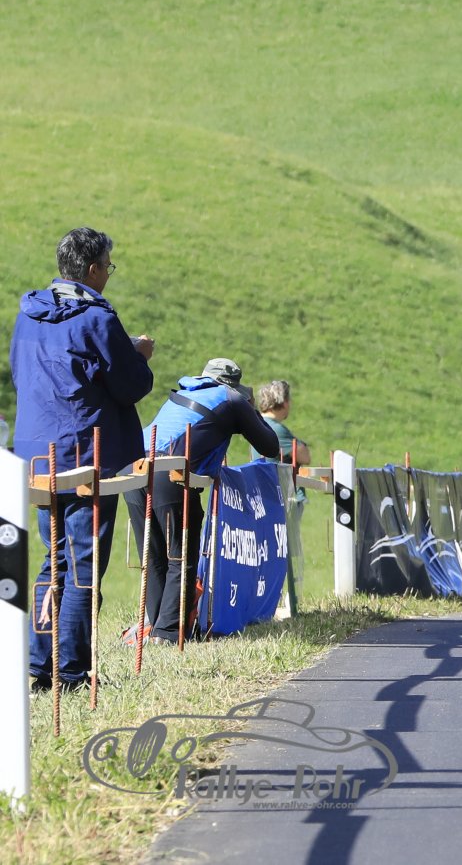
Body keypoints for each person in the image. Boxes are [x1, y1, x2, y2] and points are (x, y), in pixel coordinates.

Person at [11, 227, 155, 692]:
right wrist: (139, 355)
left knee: (52, 560)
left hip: (37, 454)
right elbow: (130, 386)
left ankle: (38, 665)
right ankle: (70, 672)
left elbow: (21, 374)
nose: (109, 274)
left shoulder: (28, 314)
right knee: (83, 565)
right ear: (93, 270)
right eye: (108, 266)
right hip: (85, 453)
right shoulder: (97, 318)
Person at [125, 357, 279, 645]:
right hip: (170, 473)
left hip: (133, 469)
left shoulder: (186, 392)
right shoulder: (231, 399)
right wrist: (250, 411)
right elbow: (270, 445)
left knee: (154, 556)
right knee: (180, 556)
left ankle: (157, 627)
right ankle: (167, 634)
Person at [254, 380, 311, 565]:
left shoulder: (259, 423)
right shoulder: (276, 428)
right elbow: (304, 455)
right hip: (282, 497)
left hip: (266, 494)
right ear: (284, 402)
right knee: (282, 551)